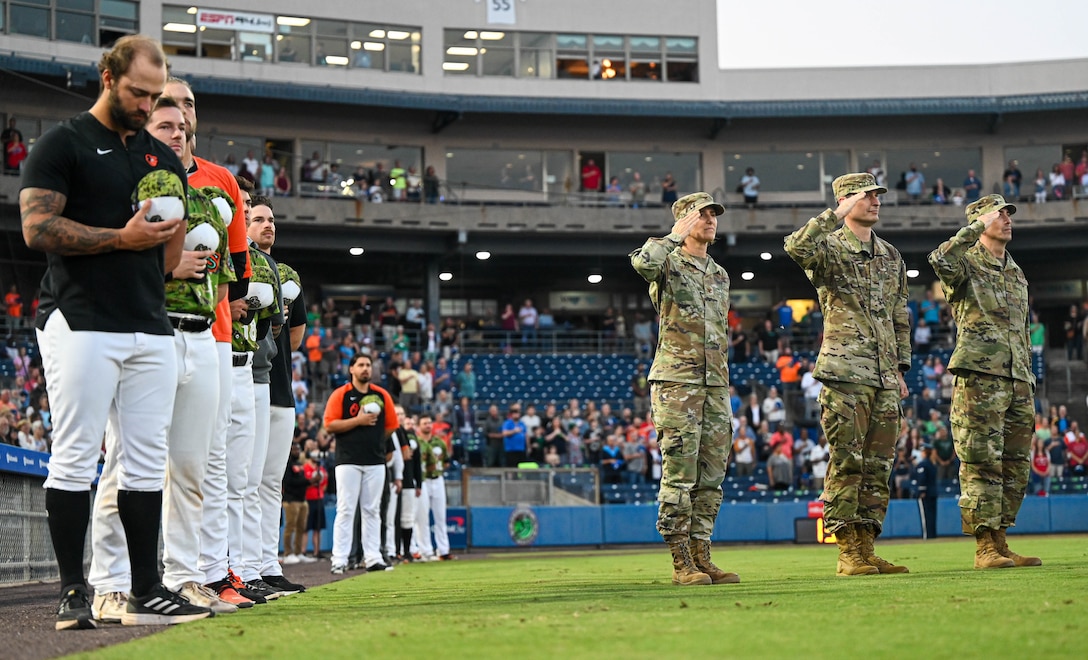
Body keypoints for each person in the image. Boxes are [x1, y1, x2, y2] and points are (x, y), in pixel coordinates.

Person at [18, 35, 210, 629]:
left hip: (149, 323)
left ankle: (146, 587)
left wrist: (172, 232)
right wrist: (122, 238)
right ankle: (75, 590)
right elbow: (36, 227)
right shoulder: (63, 143)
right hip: (80, 320)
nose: (146, 106)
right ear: (107, 76)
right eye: (137, 93)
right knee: (75, 459)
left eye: (154, 96)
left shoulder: (161, 157)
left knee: (146, 463)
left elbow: (168, 255)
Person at [87, 96, 238, 623]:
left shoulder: (209, 195)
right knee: (125, 463)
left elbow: (226, 276)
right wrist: (170, 269)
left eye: (184, 126)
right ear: (144, 130)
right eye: (165, 125)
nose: (177, 133)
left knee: (190, 468)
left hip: (202, 336)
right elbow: (108, 253)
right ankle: (108, 583)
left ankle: (181, 577)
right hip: (146, 332)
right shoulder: (123, 180)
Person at [784, 172, 911, 576]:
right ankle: (847, 551)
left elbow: (899, 315)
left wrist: (900, 367)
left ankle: (867, 545)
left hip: (885, 376)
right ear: (844, 201)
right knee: (847, 460)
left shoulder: (890, 255)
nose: (875, 202)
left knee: (878, 465)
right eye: (866, 196)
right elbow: (795, 247)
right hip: (845, 371)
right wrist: (833, 214)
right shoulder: (829, 247)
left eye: (878, 196)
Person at [630, 191, 738, 586]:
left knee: (712, 475)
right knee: (680, 473)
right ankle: (680, 561)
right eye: (702, 214)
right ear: (684, 220)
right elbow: (642, 264)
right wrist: (673, 235)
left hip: (715, 384)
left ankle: (701, 553)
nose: (710, 220)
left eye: (713, 214)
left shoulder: (720, 274)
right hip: (677, 382)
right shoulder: (668, 262)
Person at [928, 194, 1041, 569]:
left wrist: (1027, 376)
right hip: (980, 377)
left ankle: (1002, 539)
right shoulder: (965, 264)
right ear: (978, 222)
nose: (1007, 219)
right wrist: (974, 228)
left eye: (1009, 213)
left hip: (1018, 379)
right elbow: (939, 259)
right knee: (981, 461)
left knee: (1015, 464)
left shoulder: (1015, 270)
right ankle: (984, 546)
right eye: (999, 214)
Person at [325, 353, 398, 574]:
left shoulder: (382, 395)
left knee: (372, 510)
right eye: (361, 365)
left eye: (368, 365)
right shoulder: (341, 395)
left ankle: (373, 557)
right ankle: (339, 558)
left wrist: (375, 441)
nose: (366, 368)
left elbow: (392, 425)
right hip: (348, 459)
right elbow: (329, 425)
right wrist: (358, 422)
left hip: (375, 460)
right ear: (352, 369)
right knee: (346, 509)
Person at [913, 443, 938, 539]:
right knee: (932, 515)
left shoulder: (923, 464)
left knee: (925, 515)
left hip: (925, 493)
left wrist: (921, 491)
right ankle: (933, 534)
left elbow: (922, 479)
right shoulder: (932, 464)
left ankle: (927, 535)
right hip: (933, 492)